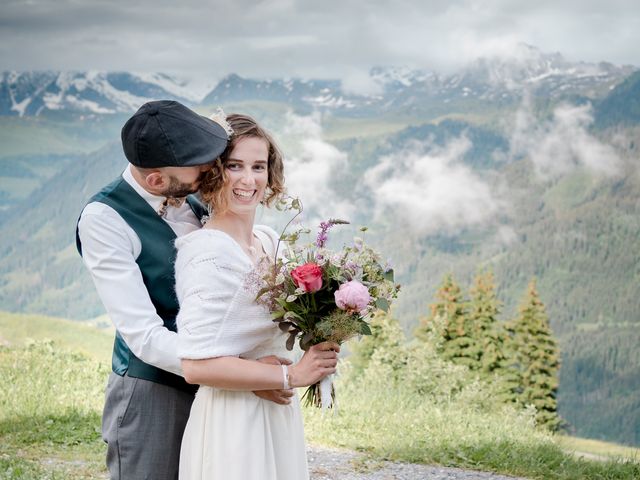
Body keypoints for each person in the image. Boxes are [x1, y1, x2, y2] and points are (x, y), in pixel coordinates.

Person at [76, 101, 293, 480]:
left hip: (223, 388)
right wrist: (234, 370)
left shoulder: (197, 198)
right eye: (199, 166)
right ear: (157, 181)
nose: (212, 169)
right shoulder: (104, 219)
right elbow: (144, 335)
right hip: (153, 389)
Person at [174, 113, 339, 480]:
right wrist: (290, 376)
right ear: (214, 172)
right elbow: (195, 366)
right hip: (233, 423)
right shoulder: (206, 253)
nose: (249, 180)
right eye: (235, 166)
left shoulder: (267, 241)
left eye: (258, 166)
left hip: (275, 415)